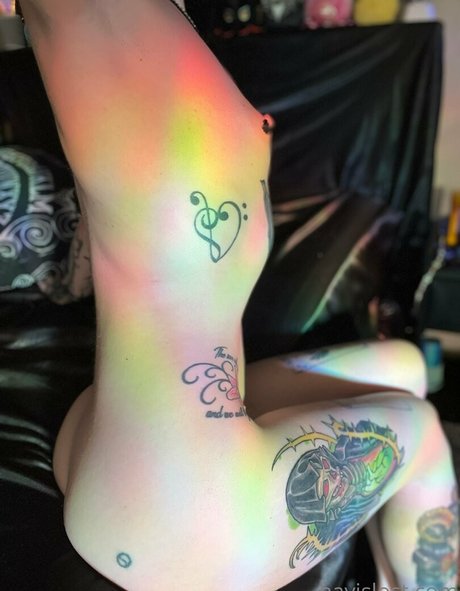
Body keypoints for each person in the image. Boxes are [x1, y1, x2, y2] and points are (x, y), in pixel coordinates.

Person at [19, 1, 458, 590]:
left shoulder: (114, 59)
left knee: (405, 367)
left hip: (127, 443)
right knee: (424, 433)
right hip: (184, 519)